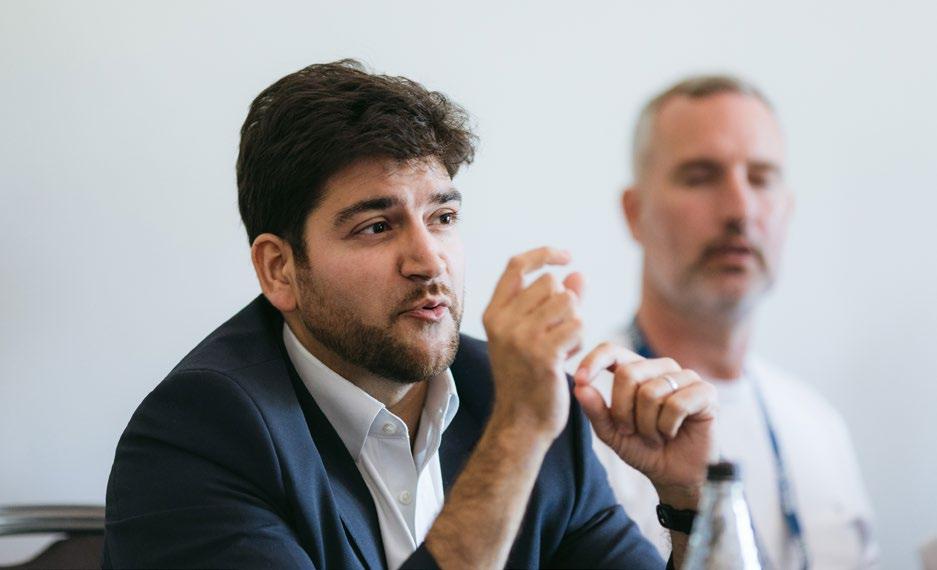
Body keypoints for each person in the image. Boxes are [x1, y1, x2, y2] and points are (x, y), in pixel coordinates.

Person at [102, 60, 719, 569]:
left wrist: (691, 504)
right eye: (376, 226)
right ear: (279, 269)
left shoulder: (521, 404)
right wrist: (516, 435)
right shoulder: (198, 436)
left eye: (442, 218)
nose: (429, 261)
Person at [591, 75, 878, 568]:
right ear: (634, 213)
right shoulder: (581, 418)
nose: (740, 209)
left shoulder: (820, 428)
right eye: (700, 177)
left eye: (761, 178)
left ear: (787, 209)